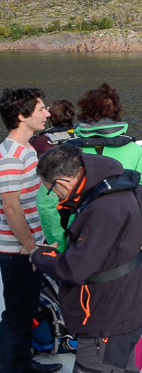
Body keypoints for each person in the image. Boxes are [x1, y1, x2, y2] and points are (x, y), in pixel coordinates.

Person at [32, 145, 142, 373]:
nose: (56, 198)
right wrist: (128, 240)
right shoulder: (118, 185)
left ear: (63, 183)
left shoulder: (102, 209)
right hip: (128, 309)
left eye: (52, 190)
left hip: (105, 321)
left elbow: (74, 270)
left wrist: (40, 255)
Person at [38, 84, 142, 251]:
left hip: (79, 241)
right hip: (122, 240)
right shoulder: (133, 150)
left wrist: (60, 244)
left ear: (84, 113)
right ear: (117, 113)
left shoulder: (67, 153)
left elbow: (45, 203)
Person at [0, 88, 61, 373]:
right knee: (17, 315)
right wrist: (29, 246)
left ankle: (24, 362)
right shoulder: (11, 155)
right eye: (41, 109)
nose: (47, 113)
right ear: (22, 116)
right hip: (18, 251)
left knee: (27, 311)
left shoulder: (25, 149)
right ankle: (14, 367)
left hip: (30, 247)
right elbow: (11, 207)